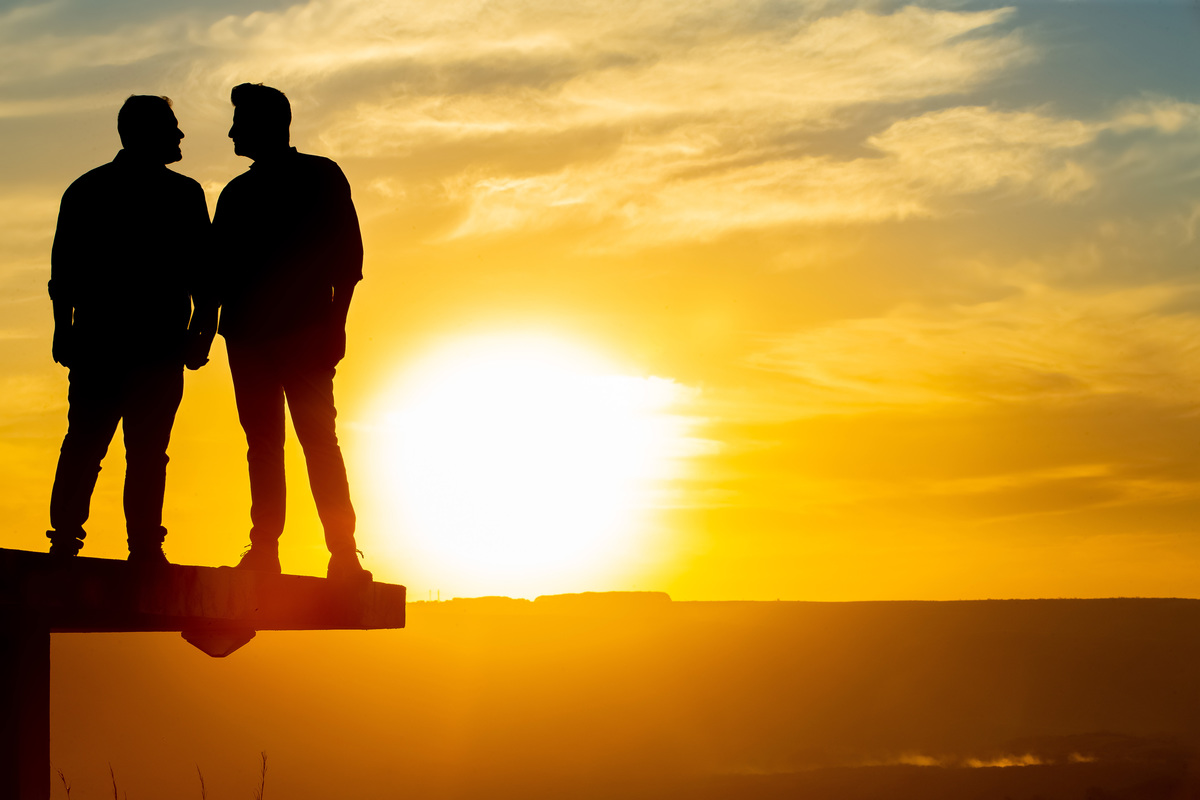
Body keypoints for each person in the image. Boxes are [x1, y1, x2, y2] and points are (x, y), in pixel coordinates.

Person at [47, 95, 215, 565]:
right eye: (172, 127)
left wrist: (203, 323)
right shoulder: (177, 194)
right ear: (144, 133)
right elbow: (66, 270)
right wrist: (202, 325)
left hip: (129, 343)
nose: (181, 136)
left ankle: (87, 542)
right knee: (114, 447)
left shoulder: (90, 189)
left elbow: (205, 271)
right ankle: (120, 545)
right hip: (130, 343)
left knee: (100, 445)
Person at [214, 83, 370, 581]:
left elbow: (347, 256)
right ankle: (269, 550)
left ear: (268, 125)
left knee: (313, 441)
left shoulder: (319, 177)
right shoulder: (239, 192)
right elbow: (217, 270)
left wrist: (336, 324)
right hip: (253, 338)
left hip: (299, 334)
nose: (233, 131)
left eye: (240, 121)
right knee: (272, 443)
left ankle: (341, 553)